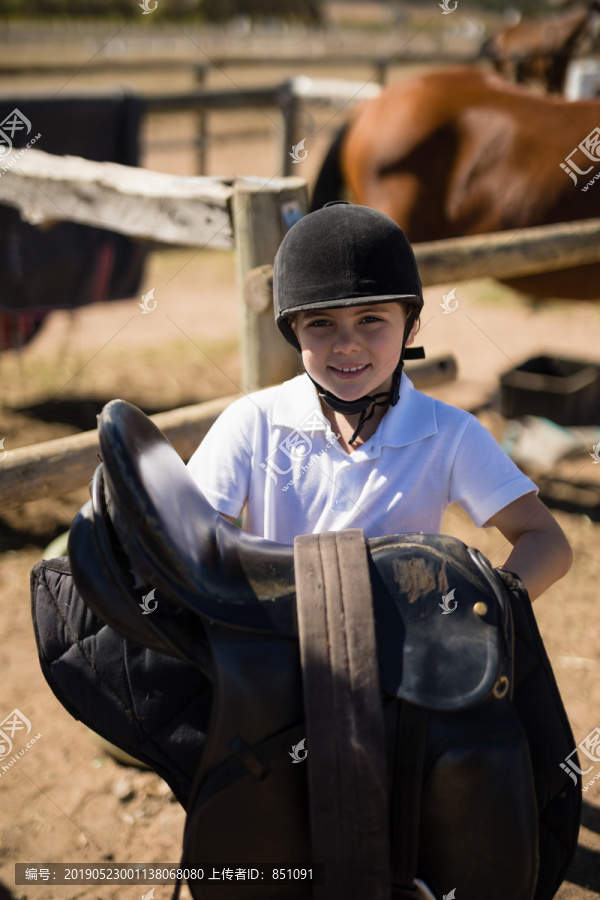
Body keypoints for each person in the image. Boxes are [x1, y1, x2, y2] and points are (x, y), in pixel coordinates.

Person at [187, 202, 572, 602]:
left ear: (410, 327)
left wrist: (490, 607)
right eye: (321, 323)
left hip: (402, 656)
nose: (348, 344)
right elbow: (185, 538)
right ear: (294, 332)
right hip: (275, 650)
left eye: (370, 319)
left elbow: (548, 542)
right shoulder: (253, 423)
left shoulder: (448, 433)